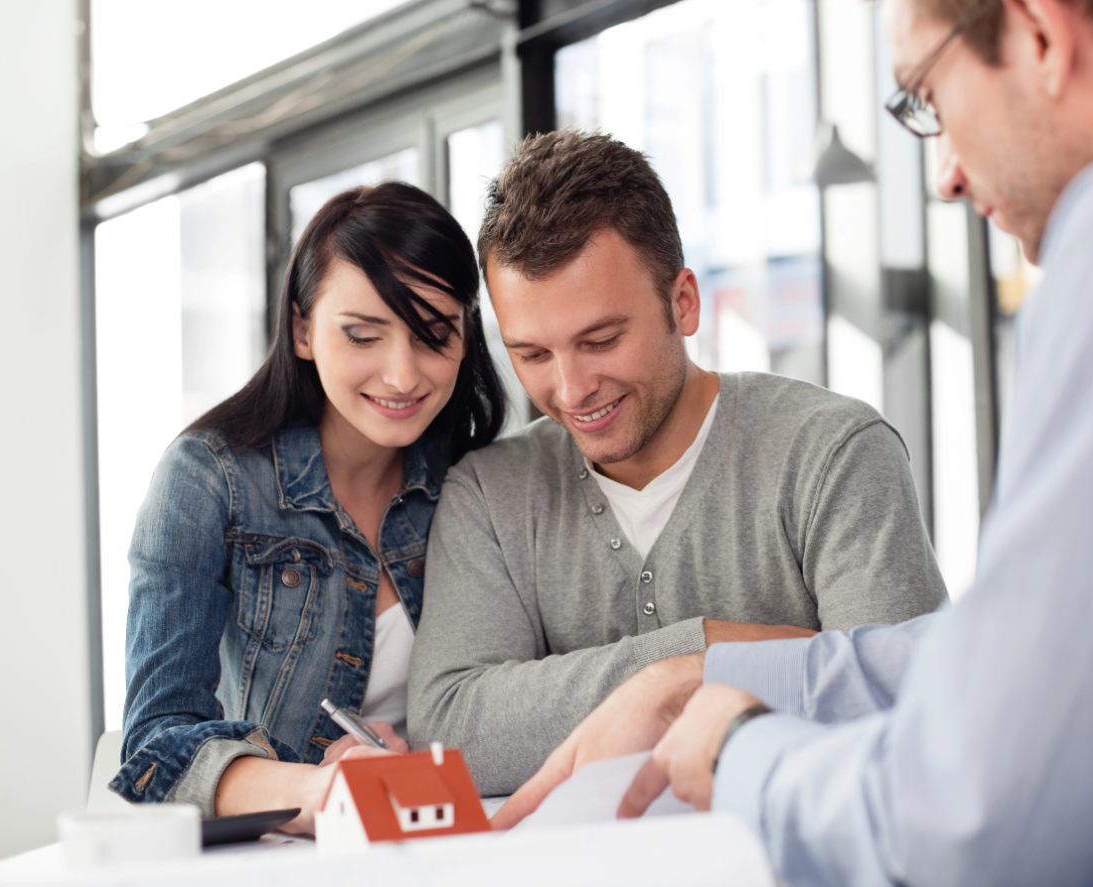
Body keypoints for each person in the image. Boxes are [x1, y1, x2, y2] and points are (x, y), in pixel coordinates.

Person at [495, 1, 1093, 884]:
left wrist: (745, 754)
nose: (946, 173)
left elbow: (979, 810)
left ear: (1039, 31)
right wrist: (702, 674)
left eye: (928, 95)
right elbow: (1035, 653)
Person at [406, 131, 948, 796]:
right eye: (533, 355)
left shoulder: (832, 453)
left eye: (601, 340)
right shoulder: (490, 496)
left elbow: (906, 704)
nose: (571, 391)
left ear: (683, 302)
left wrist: (674, 682)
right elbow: (452, 726)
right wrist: (708, 648)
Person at [111, 182, 505, 833]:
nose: (403, 375)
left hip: (456, 836)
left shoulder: (479, 481)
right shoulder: (208, 481)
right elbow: (155, 749)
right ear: (301, 329)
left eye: (434, 335)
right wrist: (323, 791)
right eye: (363, 335)